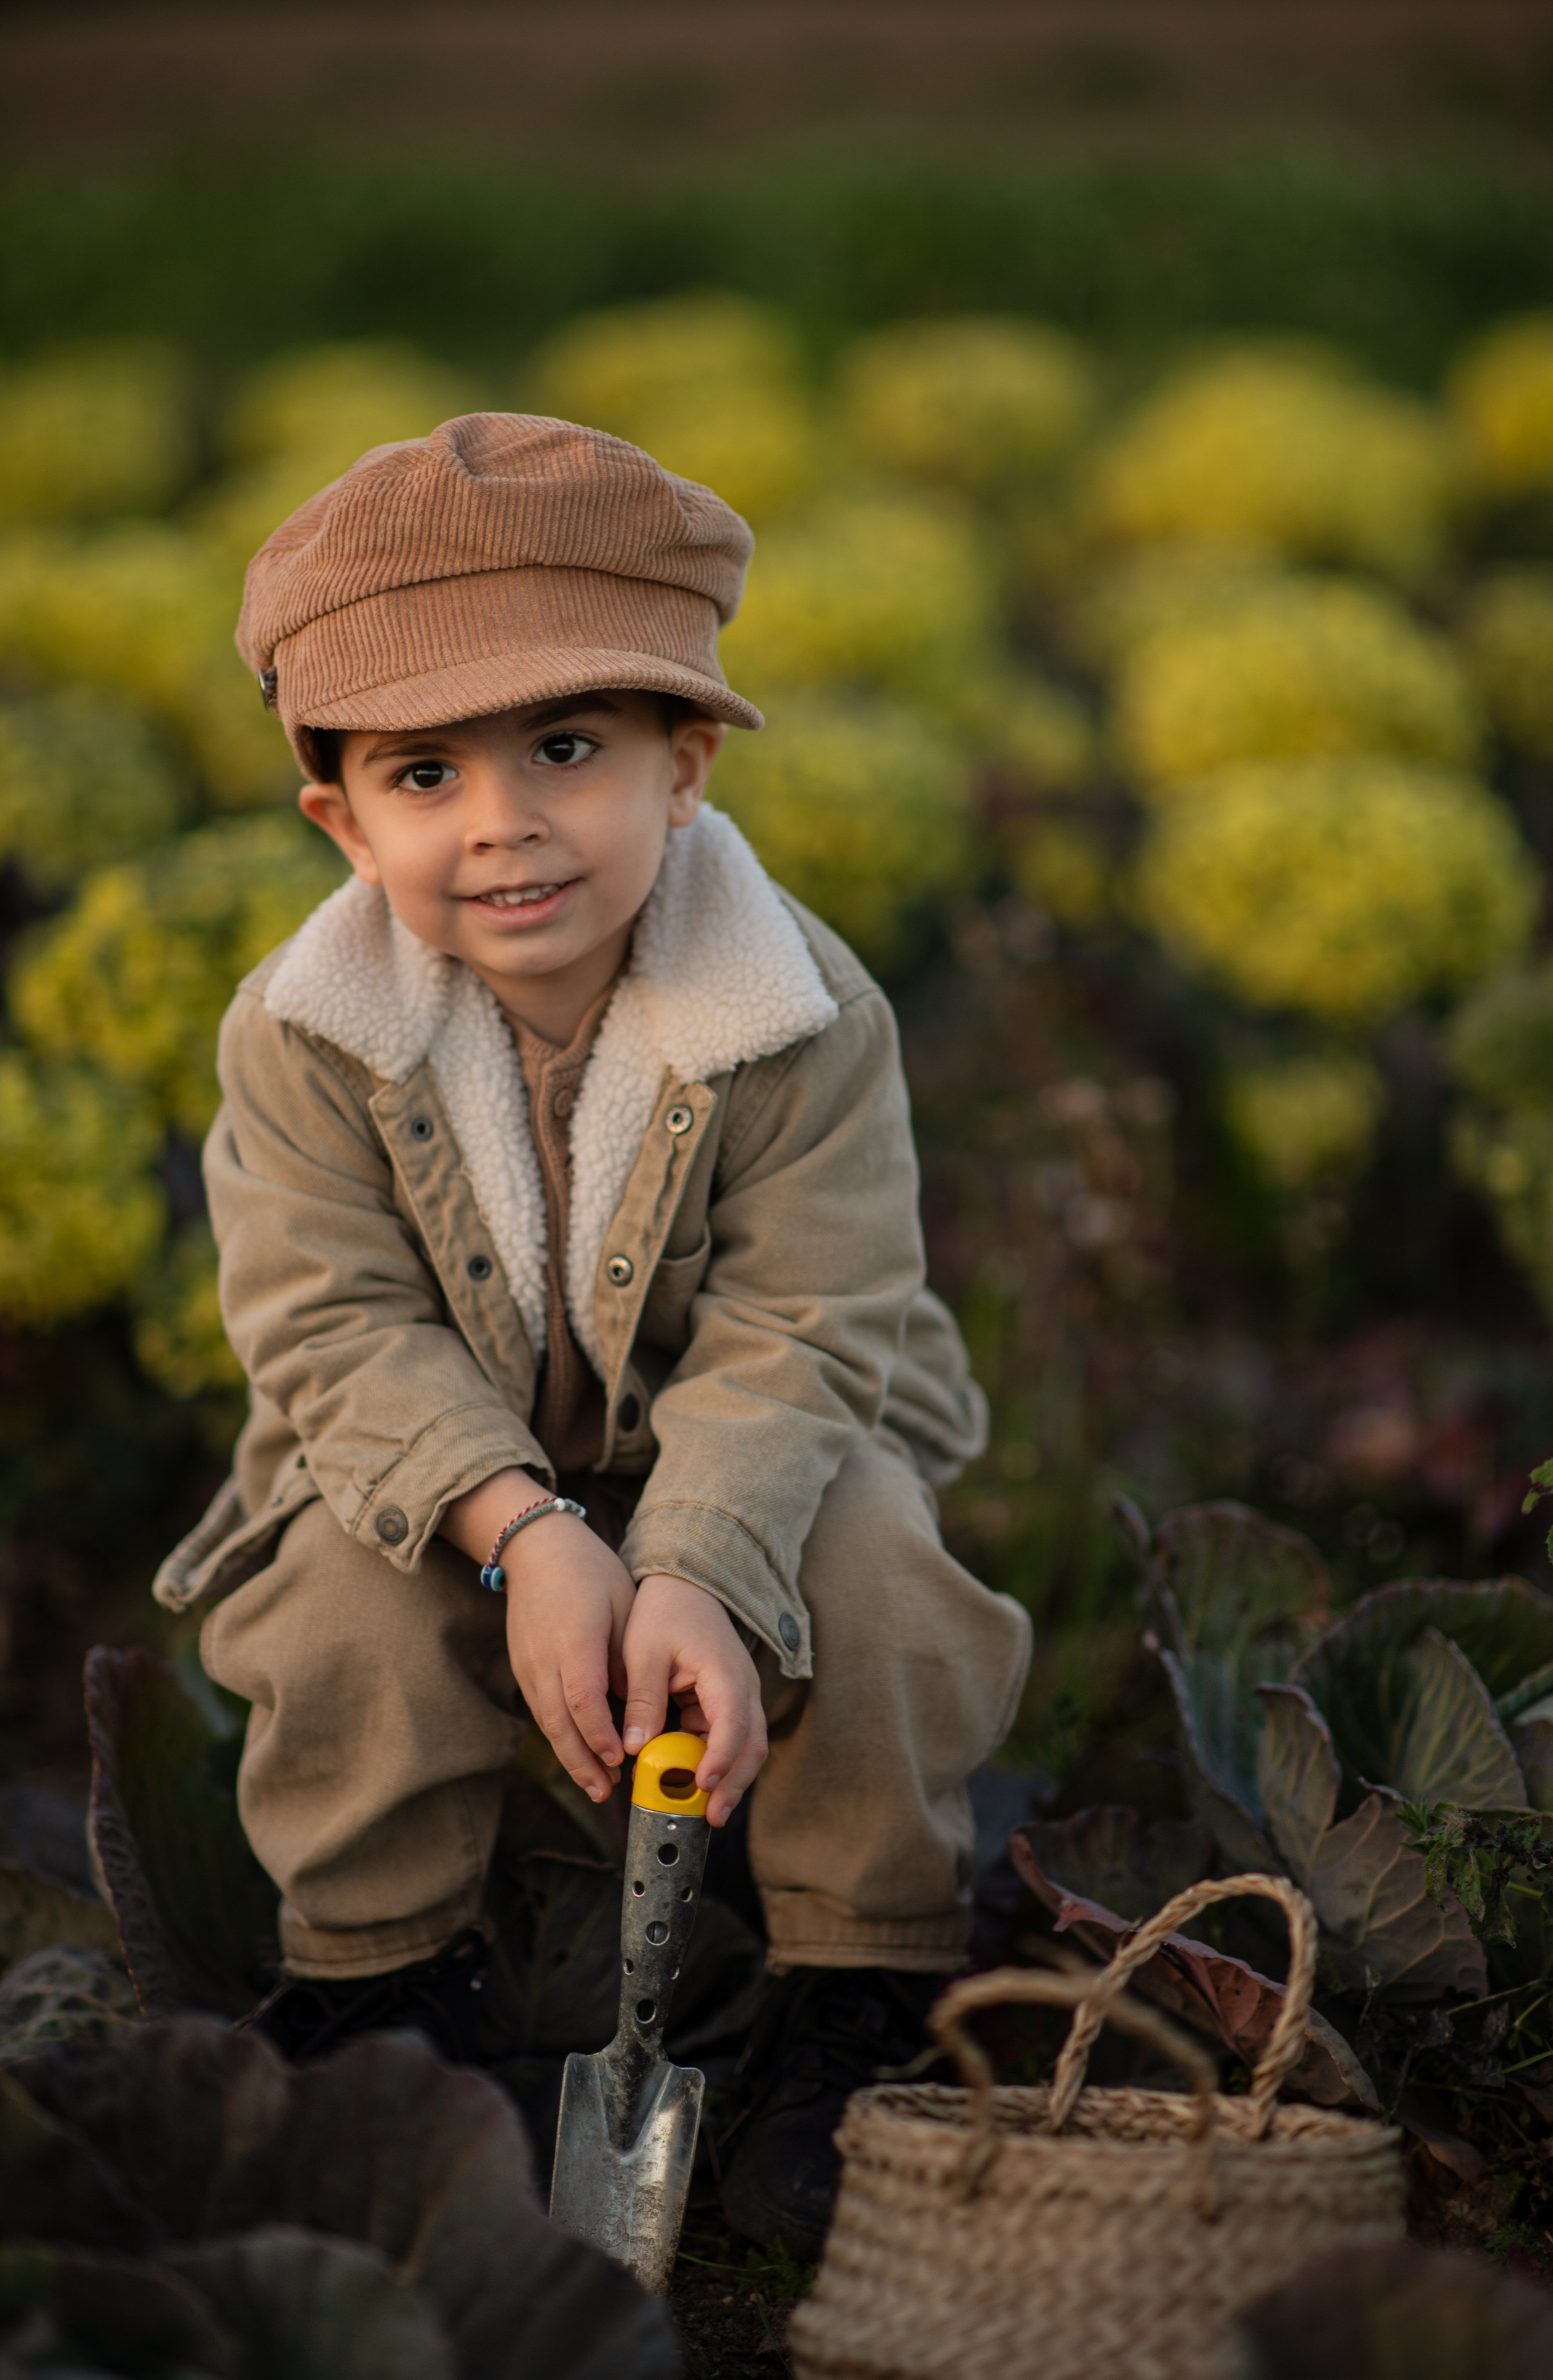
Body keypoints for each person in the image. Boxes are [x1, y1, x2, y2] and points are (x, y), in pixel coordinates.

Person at [154, 411, 1031, 2256]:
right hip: (442, 1483)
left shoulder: (798, 1015)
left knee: (869, 1556)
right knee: (333, 1587)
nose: (503, 823)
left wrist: (696, 1558)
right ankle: (383, 1985)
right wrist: (526, 1529)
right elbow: (331, 1325)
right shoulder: (304, 1033)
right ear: (338, 814)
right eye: (423, 774)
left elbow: (811, 1317)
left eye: (567, 747)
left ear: (685, 762)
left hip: (760, 1447)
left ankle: (853, 1980)